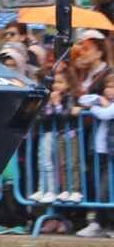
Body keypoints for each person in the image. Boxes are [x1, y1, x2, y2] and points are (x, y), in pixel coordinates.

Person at [31, 67, 81, 205]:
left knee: (72, 163)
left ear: (68, 84)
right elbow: (41, 117)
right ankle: (56, 189)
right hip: (58, 134)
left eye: (60, 82)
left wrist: (57, 104)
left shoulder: (69, 96)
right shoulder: (49, 97)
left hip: (70, 134)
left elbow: (64, 115)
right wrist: (49, 106)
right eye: (55, 82)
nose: (56, 85)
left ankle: (73, 190)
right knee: (60, 163)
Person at [76, 73, 114, 238]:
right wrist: (99, 101)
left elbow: (105, 114)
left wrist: (95, 106)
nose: (109, 91)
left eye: (113, 87)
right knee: (99, 189)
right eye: (107, 86)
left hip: (110, 153)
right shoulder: (106, 102)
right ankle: (100, 223)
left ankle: (108, 224)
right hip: (100, 152)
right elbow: (83, 100)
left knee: (106, 192)